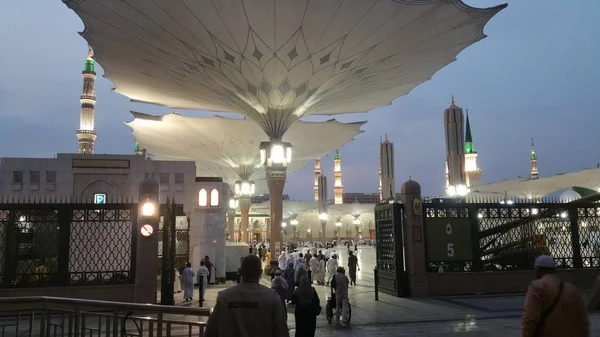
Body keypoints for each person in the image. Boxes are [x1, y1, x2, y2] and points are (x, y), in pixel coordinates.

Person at [204, 255, 289, 337]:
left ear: (240, 272)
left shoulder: (224, 298)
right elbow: (281, 332)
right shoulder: (272, 298)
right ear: (260, 272)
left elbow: (210, 332)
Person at [521, 255, 588, 337]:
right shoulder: (573, 289)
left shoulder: (537, 286)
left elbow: (530, 318)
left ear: (538, 270)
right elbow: (583, 321)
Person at [291, 267, 320, 337]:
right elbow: (317, 301)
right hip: (311, 314)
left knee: (300, 329)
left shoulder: (297, 291)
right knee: (310, 330)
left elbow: (293, 301)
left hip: (300, 313)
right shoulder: (312, 290)